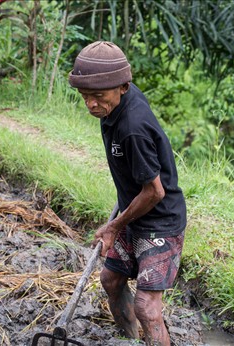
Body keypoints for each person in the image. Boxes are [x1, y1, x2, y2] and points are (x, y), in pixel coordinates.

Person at [68, 41, 187, 346]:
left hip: (160, 222)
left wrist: (114, 225)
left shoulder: (132, 126)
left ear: (123, 87)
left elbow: (155, 191)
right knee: (111, 280)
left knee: (147, 307)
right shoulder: (115, 104)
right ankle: (130, 340)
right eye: (85, 97)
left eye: (98, 97)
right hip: (134, 212)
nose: (91, 105)